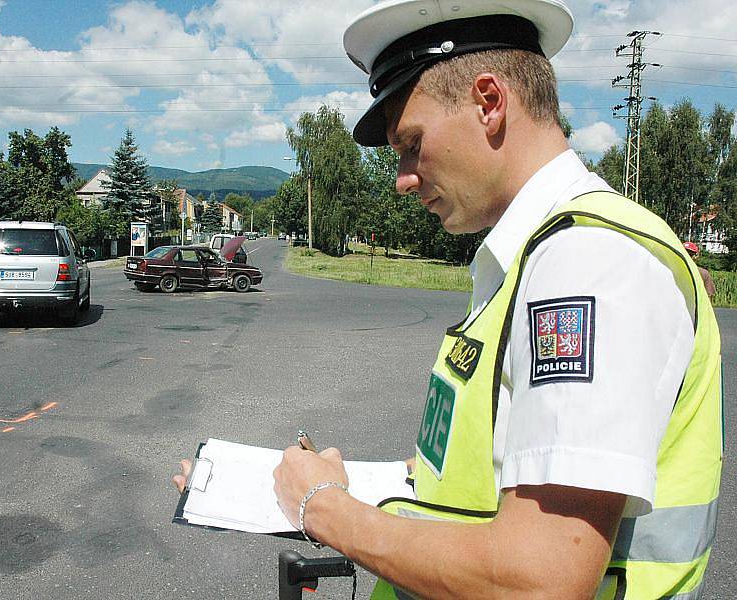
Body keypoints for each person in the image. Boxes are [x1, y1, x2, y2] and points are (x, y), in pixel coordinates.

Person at [176, 1, 723, 597]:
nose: (403, 178)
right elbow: (492, 479)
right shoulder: (535, 257)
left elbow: (539, 582)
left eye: (411, 144)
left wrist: (323, 507)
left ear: (490, 104)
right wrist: (371, 487)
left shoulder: (587, 264)